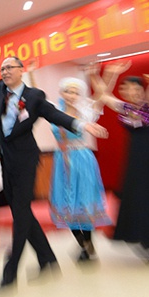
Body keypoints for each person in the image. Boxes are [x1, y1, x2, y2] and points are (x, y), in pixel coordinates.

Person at [0, 49, 108, 292]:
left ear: (20, 70)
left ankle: (11, 268)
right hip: (5, 160)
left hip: (26, 160)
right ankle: (47, 259)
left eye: (9, 68)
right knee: (21, 211)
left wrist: (80, 124)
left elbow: (54, 115)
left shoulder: (34, 96)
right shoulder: (0, 89)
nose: (4, 72)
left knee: (21, 214)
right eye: (2, 69)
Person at [88, 61, 149, 265]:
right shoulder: (124, 107)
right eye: (127, 89)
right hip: (134, 159)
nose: (132, 93)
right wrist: (97, 74)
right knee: (135, 198)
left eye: (136, 89)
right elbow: (103, 95)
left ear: (142, 91)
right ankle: (143, 240)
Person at [49, 77, 111, 263]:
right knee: (66, 203)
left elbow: (102, 96)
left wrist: (105, 75)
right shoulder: (54, 111)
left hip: (82, 160)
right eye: (68, 91)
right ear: (61, 93)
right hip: (62, 160)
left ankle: (88, 244)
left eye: (76, 92)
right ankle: (83, 244)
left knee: (84, 201)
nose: (71, 95)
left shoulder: (85, 112)